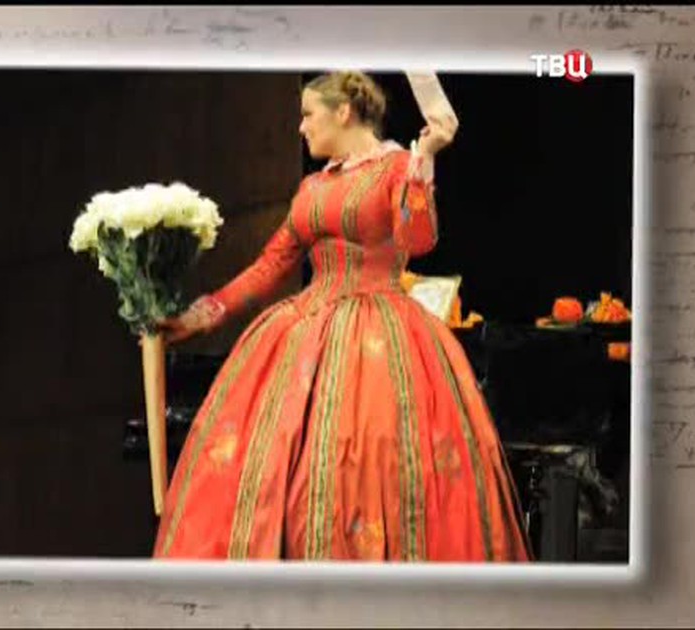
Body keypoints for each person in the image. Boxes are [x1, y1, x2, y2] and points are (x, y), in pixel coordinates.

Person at [152, 71, 531, 561]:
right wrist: (202, 316)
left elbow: (418, 240)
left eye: (309, 114)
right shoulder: (312, 186)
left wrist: (424, 159)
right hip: (304, 332)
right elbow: (271, 264)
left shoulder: (397, 166)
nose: (301, 127)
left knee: (366, 462)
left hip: (380, 335)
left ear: (344, 112)